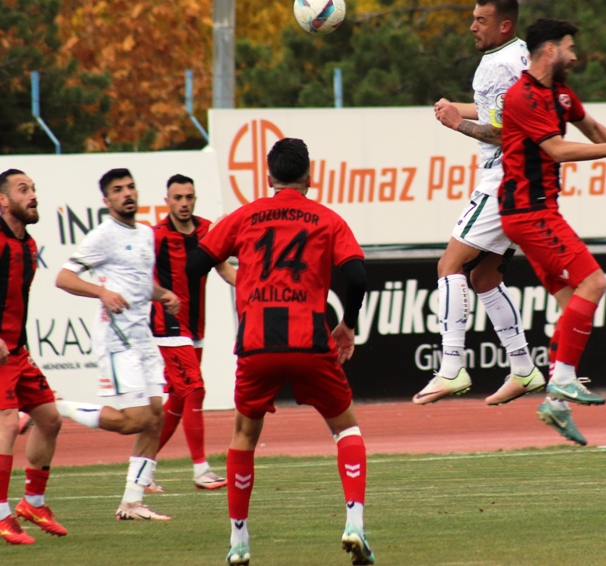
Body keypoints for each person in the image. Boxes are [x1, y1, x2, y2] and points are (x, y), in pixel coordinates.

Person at [186, 138, 373, 565]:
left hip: (256, 342)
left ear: (269, 177)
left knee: (244, 437)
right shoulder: (326, 218)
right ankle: (355, 525)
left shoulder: (246, 215)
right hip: (309, 339)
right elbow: (358, 275)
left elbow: (195, 266)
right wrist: (347, 325)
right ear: (310, 176)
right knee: (347, 430)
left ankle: (238, 542)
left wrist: (224, 258)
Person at [499, 18, 606, 445]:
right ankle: (564, 380)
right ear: (549, 50)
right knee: (595, 280)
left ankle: (556, 403)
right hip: (528, 212)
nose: (575, 55)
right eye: (569, 48)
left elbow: (591, 129)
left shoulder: (561, 94)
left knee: (572, 302)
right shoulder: (522, 96)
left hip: (538, 211)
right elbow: (557, 149)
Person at [415, 0, 547, 406]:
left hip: (505, 177)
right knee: (484, 277)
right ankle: (524, 368)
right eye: (472, 18)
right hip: (526, 178)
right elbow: (498, 112)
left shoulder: (500, 64)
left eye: (481, 20)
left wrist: (456, 124)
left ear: (503, 24)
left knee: (449, 264)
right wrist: (462, 107)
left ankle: (451, 369)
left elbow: (512, 132)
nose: (472, 26)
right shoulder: (518, 55)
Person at [54, 168, 181, 521]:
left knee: (156, 417)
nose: (127, 194)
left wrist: (163, 294)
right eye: (118, 190)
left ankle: (132, 503)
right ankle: (58, 408)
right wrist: (102, 292)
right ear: (106, 200)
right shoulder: (103, 236)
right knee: (135, 420)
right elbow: (64, 277)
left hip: (143, 339)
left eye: (130, 187)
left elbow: (140, 283)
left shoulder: (144, 234)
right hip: (117, 339)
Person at [146, 174, 236, 493]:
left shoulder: (207, 229)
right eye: (178, 198)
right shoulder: (156, 236)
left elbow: (224, 268)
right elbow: (140, 278)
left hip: (196, 325)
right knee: (195, 390)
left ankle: (143, 470)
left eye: (189, 197)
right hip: (167, 325)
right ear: (167, 201)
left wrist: (254, 285)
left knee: (177, 398)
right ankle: (201, 470)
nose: (184, 203)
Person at [0, 170, 65, 544]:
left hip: (17, 352)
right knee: (7, 423)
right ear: (3, 200)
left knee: (50, 418)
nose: (32, 195)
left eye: (34, 189)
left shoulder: (28, 244)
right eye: (23, 190)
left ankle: (33, 502)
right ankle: (2, 514)